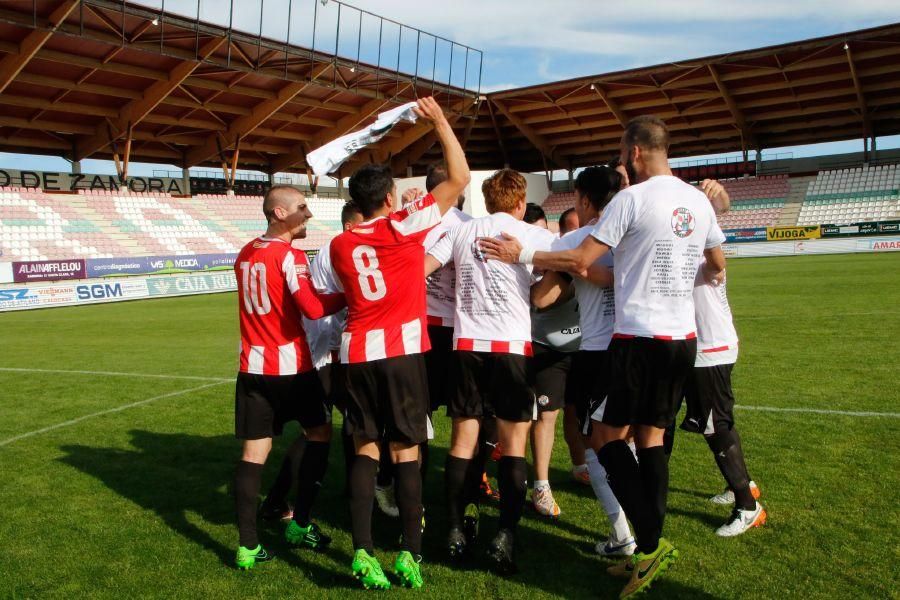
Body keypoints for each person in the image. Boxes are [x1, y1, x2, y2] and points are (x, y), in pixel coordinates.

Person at [479, 116, 727, 598]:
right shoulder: (697, 200)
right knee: (651, 439)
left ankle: (649, 543)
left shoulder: (632, 199)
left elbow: (579, 260)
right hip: (683, 338)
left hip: (638, 340)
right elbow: (716, 264)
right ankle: (642, 548)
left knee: (603, 437)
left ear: (634, 152)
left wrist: (522, 257)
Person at [329, 96, 470, 590]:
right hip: (403, 351)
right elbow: (459, 178)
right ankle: (410, 553)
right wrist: (440, 123)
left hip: (357, 354)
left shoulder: (340, 243)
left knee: (366, 450)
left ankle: (363, 552)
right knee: (406, 451)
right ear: (389, 199)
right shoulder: (402, 227)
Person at [426, 168, 556, 574]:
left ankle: (454, 529)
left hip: (466, 347)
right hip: (511, 348)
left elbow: (422, 268)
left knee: (463, 440)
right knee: (513, 444)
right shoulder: (533, 234)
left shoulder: (463, 230)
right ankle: (505, 535)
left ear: (486, 200)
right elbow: (566, 266)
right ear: (520, 203)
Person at [232, 185, 347, 570]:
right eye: (302, 207)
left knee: (253, 455)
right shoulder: (291, 255)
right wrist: (350, 296)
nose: (308, 214)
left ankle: (248, 546)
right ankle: (299, 525)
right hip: (291, 369)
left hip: (251, 368)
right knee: (319, 434)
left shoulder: (246, 252)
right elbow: (313, 309)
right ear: (279, 213)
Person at [530, 165, 637, 557]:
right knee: (633, 442)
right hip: (640, 348)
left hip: (595, 353)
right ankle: (642, 528)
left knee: (597, 449)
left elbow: (541, 298)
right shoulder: (637, 230)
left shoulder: (576, 240)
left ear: (586, 200)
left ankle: (623, 533)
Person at [258, 201, 364, 520]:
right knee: (322, 429)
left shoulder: (337, 246)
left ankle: (352, 486)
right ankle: (282, 501)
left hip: (325, 349)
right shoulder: (342, 247)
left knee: (336, 423)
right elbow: (333, 303)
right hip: (327, 353)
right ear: (350, 226)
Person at [524, 203, 582, 518]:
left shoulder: (591, 252)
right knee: (546, 416)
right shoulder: (552, 257)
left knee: (577, 412)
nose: (578, 234)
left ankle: (580, 465)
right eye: (571, 229)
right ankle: (541, 485)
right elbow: (541, 299)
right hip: (547, 346)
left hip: (583, 346)